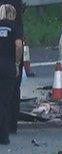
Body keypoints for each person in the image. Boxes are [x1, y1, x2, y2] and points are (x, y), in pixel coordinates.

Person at [0, 3, 22, 145]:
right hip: (8, 65)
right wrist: (17, 63)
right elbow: (18, 45)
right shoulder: (15, 27)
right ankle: (4, 135)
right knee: (5, 101)